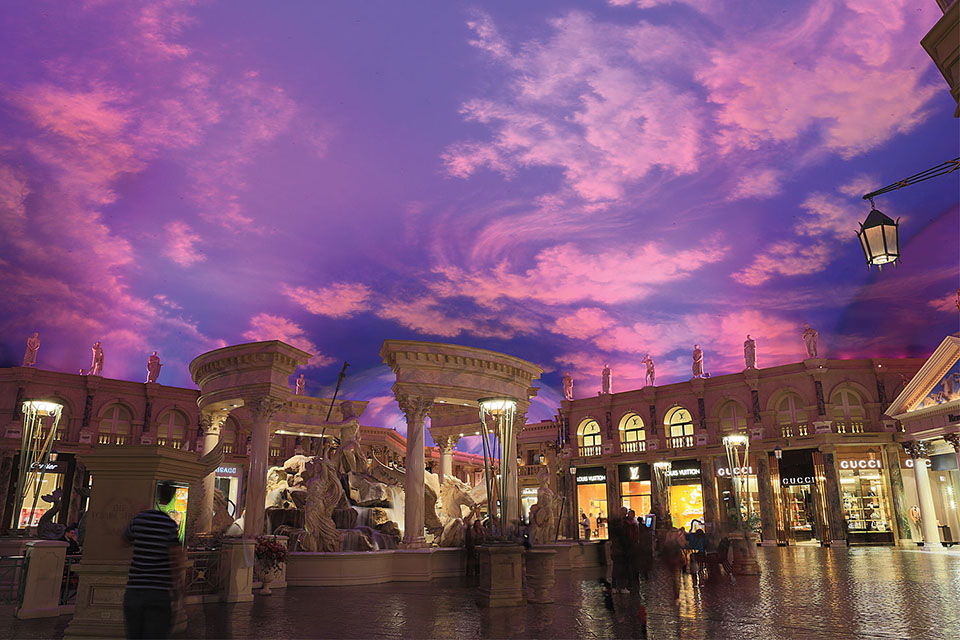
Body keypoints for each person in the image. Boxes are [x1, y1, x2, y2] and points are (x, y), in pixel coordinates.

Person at [123, 482, 183, 639]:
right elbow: (175, 558)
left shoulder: (139, 519)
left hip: (135, 588)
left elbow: (124, 541)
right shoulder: (168, 525)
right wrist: (178, 590)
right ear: (170, 498)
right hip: (158, 591)